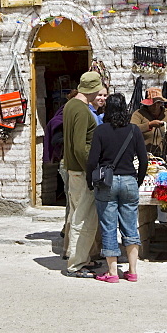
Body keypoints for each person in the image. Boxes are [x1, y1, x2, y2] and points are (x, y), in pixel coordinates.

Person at [87, 93, 147, 283]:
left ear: (108, 110)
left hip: (107, 182)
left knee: (109, 226)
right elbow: (143, 159)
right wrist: (138, 180)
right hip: (129, 179)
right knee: (130, 226)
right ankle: (132, 271)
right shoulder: (134, 130)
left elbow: (92, 161)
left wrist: (90, 180)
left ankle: (112, 272)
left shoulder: (101, 131)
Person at [62, 72, 103, 278]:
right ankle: (76, 264)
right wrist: (91, 171)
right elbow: (80, 147)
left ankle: (81, 258)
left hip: (73, 169)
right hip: (81, 170)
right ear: (94, 89)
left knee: (76, 214)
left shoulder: (70, 106)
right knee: (84, 219)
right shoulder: (82, 110)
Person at [130, 86, 167, 160]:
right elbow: (131, 129)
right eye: (153, 103)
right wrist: (149, 125)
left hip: (164, 157)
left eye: (158, 103)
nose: (156, 106)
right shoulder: (138, 114)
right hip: (143, 157)